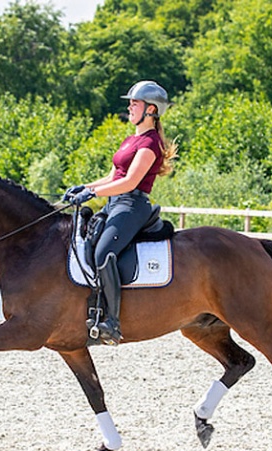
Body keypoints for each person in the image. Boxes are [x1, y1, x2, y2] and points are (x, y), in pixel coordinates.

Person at [63, 80, 178, 345]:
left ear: (151, 109)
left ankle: (112, 322)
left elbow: (130, 182)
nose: (129, 106)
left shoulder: (150, 144)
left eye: (134, 103)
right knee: (87, 243)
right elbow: (114, 175)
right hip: (115, 203)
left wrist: (92, 195)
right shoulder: (132, 140)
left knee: (104, 252)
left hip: (132, 205)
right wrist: (85, 186)